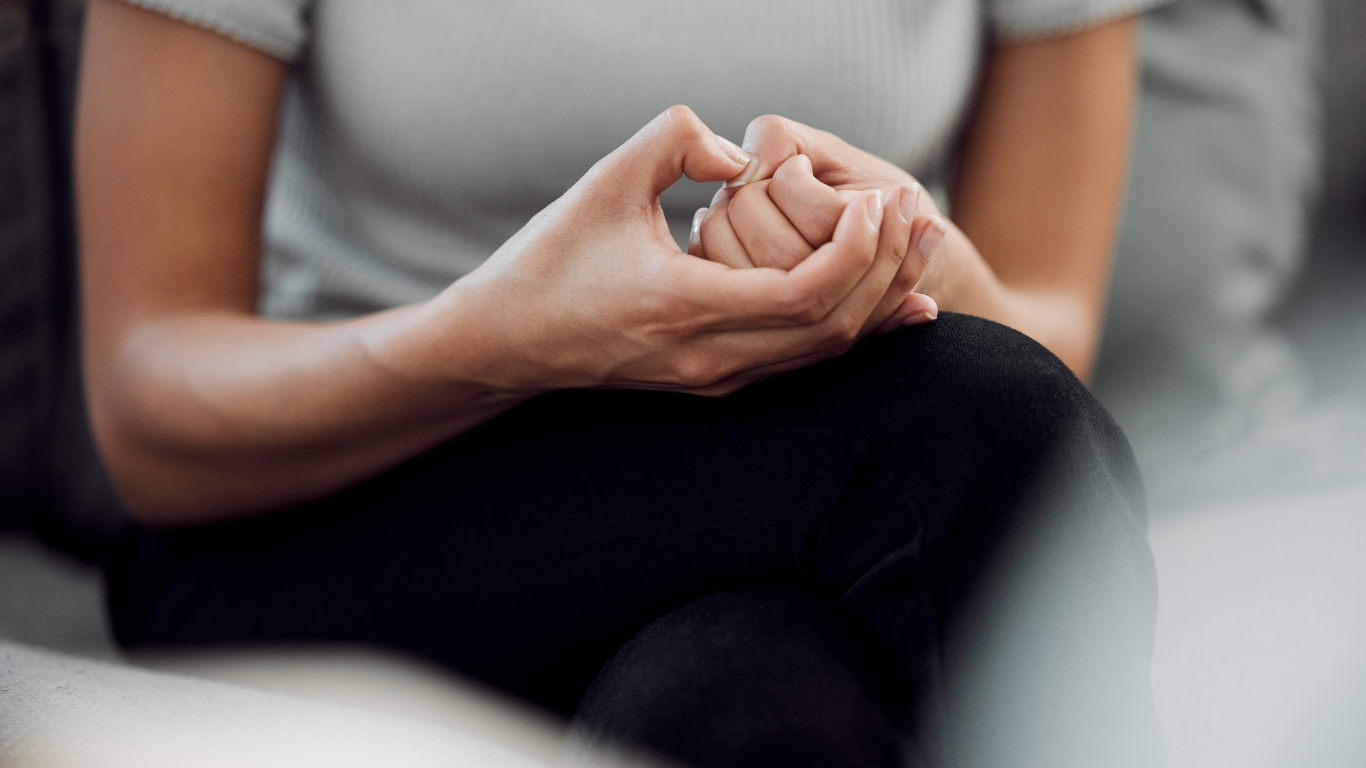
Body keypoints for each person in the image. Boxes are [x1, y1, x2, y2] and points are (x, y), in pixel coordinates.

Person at [78, 0, 1169, 765]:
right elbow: (148, 411)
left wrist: (914, 255)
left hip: (790, 490)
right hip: (333, 511)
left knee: (746, 706)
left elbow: (1048, 333)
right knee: (968, 416)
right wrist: (500, 338)